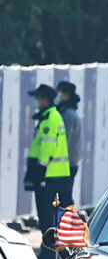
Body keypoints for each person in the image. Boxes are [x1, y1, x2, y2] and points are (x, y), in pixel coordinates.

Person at [23, 84, 71, 228]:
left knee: (45, 214)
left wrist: (39, 171)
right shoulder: (52, 116)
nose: (37, 102)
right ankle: (58, 250)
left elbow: (47, 147)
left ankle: (49, 250)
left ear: (45, 99)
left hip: (49, 174)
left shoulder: (50, 118)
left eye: (38, 98)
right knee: (52, 213)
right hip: (55, 174)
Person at [57, 81, 82, 202]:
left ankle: (71, 220)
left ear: (66, 94)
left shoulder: (67, 115)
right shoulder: (72, 112)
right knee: (65, 196)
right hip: (71, 162)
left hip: (66, 163)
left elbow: (62, 140)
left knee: (65, 198)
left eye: (60, 92)